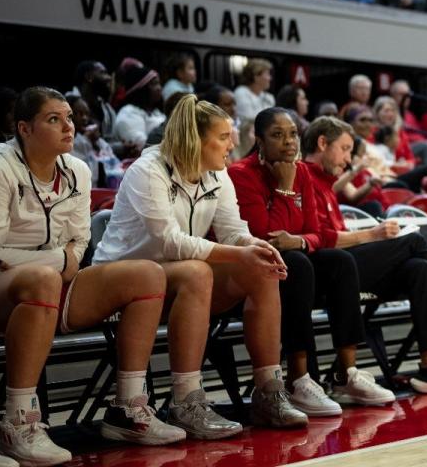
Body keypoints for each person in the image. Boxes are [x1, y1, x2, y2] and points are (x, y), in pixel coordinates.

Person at [0, 87, 185, 466]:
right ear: (23, 128)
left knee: (148, 275)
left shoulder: (76, 169)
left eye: (69, 118)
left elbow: (80, 245)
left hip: (55, 284)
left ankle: (127, 409)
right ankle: (17, 424)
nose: (68, 127)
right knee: (43, 279)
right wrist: (57, 259)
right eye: (53, 119)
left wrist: (58, 260)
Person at [93, 95, 308, 439]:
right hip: (121, 280)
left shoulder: (217, 175)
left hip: (175, 279)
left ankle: (269, 392)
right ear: (195, 140)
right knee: (198, 270)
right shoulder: (147, 170)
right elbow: (171, 243)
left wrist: (256, 245)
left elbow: (233, 231)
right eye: (223, 137)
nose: (234, 143)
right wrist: (238, 254)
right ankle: (186, 402)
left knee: (262, 268)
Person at [228, 108, 396, 412]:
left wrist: (302, 240)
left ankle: (347, 374)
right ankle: (297, 379)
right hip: (258, 270)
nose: (289, 142)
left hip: (295, 263)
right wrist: (284, 190)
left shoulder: (302, 170)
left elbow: (315, 232)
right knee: (298, 263)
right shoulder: (241, 173)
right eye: (277, 135)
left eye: (292, 133)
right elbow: (268, 237)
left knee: (339, 261)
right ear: (259, 140)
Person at [302, 116, 427, 392]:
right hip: (327, 272)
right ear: (322, 143)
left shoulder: (327, 183)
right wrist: (373, 236)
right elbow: (320, 240)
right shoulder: (304, 178)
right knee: (414, 241)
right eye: (345, 149)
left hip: (348, 264)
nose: (349, 159)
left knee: (419, 267)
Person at [113, 64, 166, 153]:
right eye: (154, 84)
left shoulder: (156, 112)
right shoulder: (128, 113)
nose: (159, 88)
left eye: (159, 83)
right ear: (141, 88)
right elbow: (144, 146)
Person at [234, 58, 274, 159]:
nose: (270, 78)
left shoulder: (269, 97)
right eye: (267, 74)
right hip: (244, 143)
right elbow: (248, 119)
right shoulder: (240, 92)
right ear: (256, 76)